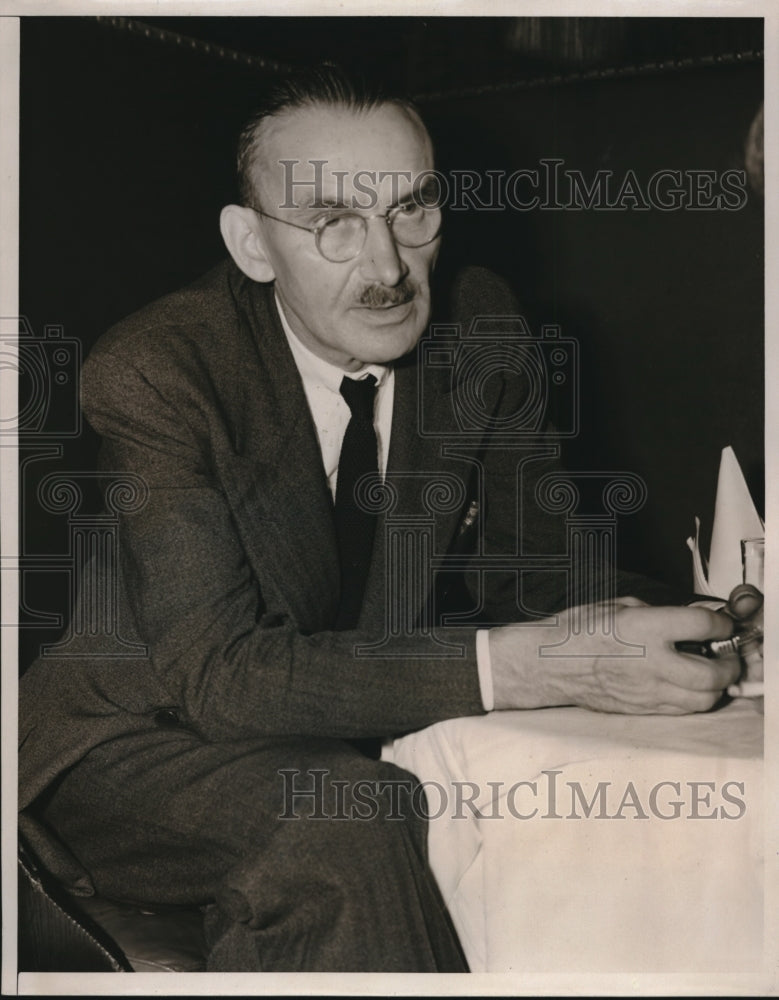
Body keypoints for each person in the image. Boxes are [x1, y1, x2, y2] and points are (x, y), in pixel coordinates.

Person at [18, 65, 742, 973]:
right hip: (133, 743)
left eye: (412, 210)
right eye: (333, 223)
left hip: (331, 720)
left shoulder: (484, 329)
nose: (389, 266)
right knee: (350, 815)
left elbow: (541, 579)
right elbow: (220, 678)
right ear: (251, 244)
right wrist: (517, 665)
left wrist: (692, 622)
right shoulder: (161, 371)